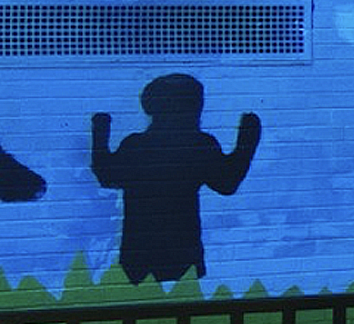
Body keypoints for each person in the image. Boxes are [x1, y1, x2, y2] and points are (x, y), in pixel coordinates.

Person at [92, 74, 260, 283]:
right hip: (183, 251)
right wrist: (248, 141)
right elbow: (226, 183)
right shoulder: (199, 145)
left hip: (139, 252)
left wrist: (100, 133)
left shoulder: (136, 145)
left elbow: (107, 176)